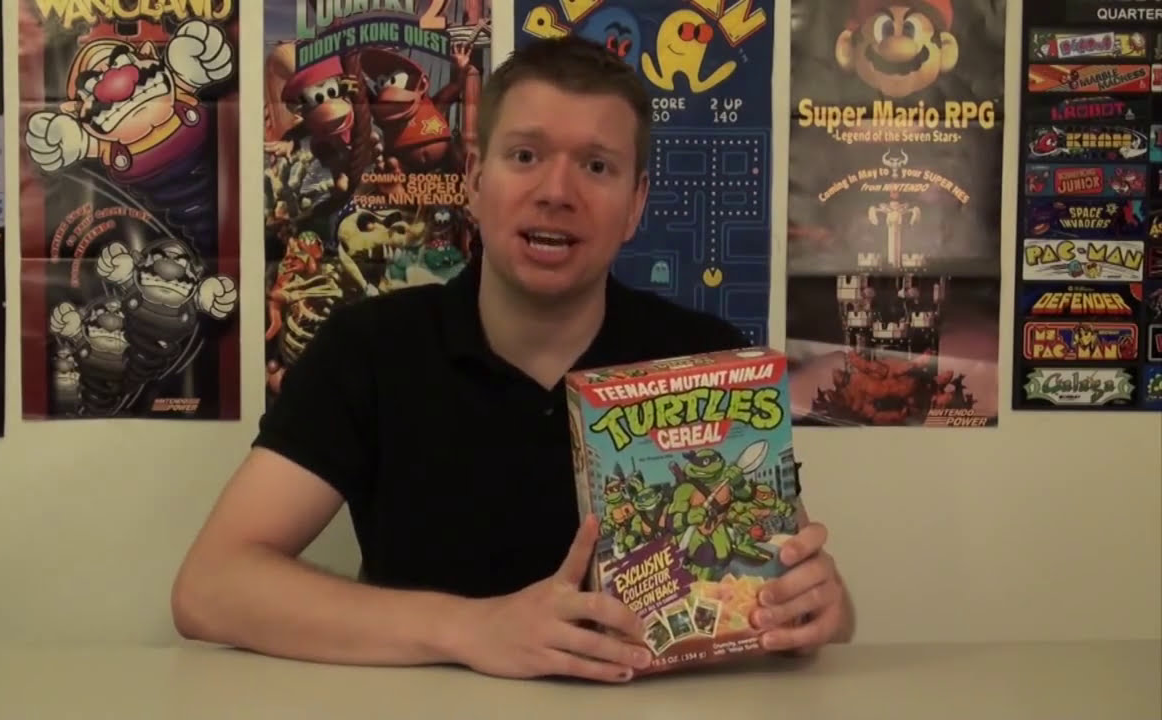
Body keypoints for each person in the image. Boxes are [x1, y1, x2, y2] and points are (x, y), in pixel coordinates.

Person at [171, 35, 855, 684]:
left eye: (597, 166)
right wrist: (472, 630)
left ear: (636, 204)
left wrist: (816, 608)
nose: (557, 191)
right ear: (474, 179)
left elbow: (790, 592)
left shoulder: (707, 358)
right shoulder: (369, 349)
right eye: (525, 156)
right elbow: (210, 587)